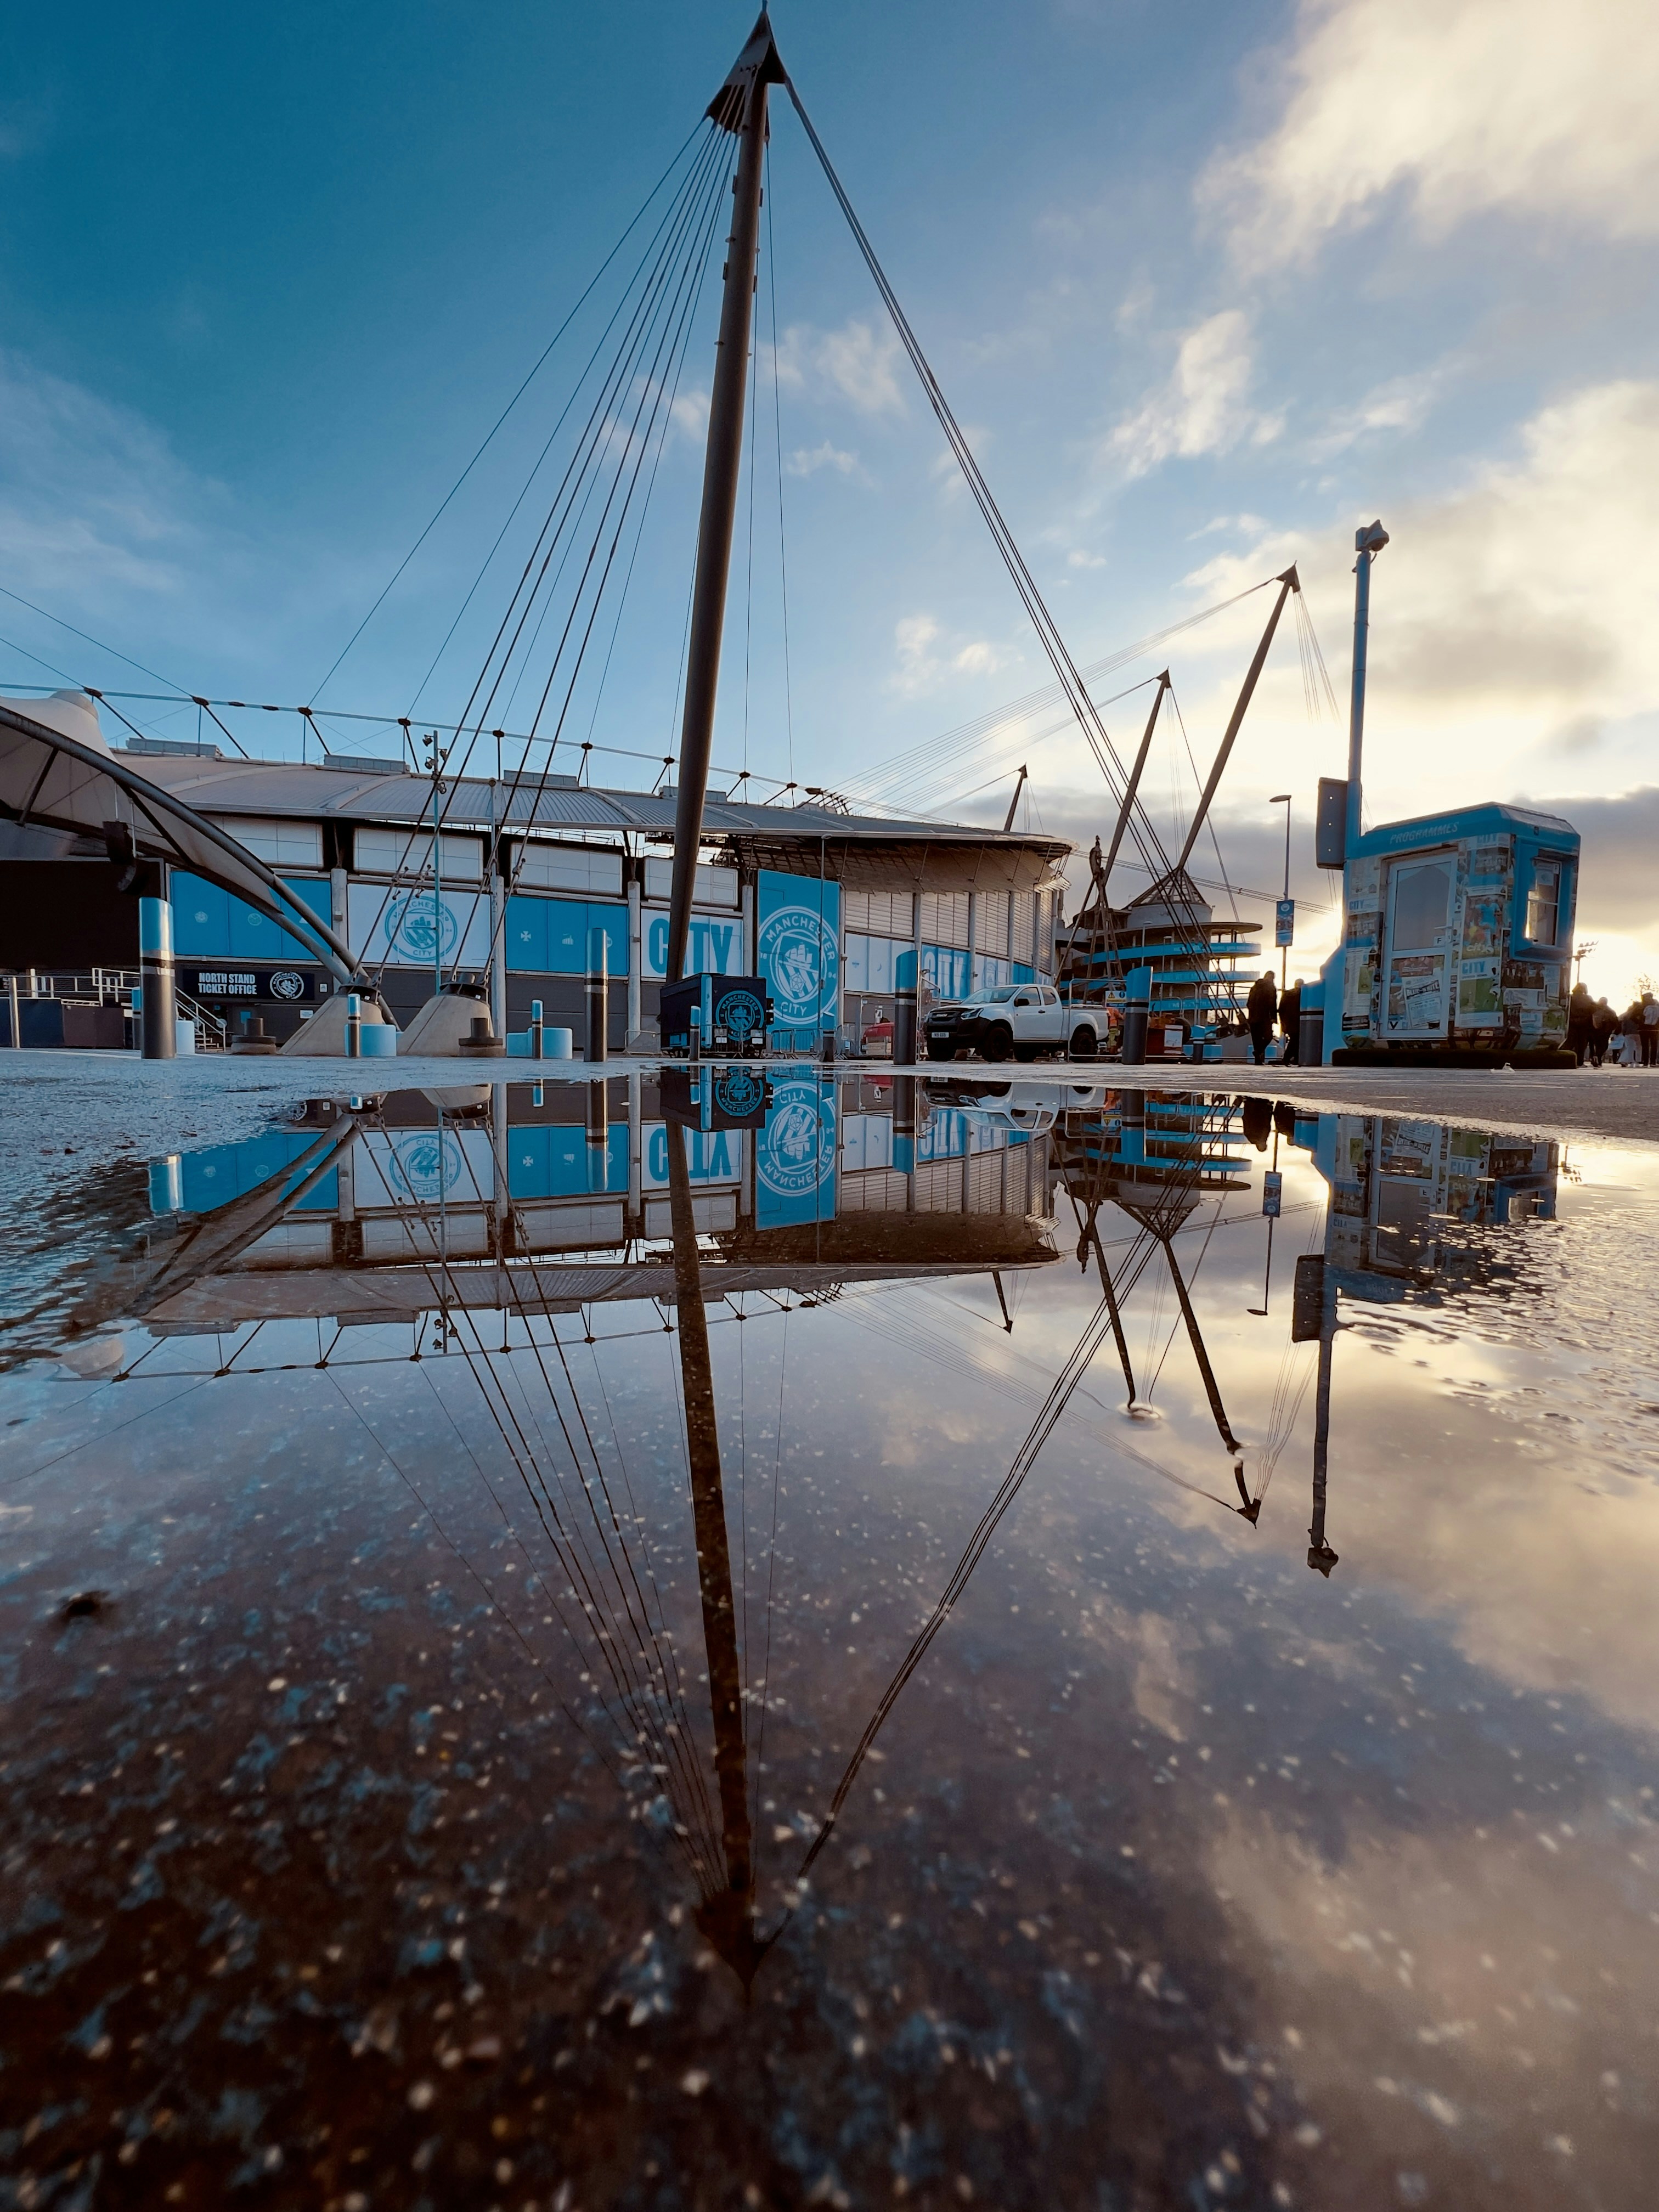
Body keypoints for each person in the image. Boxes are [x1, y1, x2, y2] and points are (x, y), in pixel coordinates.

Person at [1246, 970, 1278, 1065]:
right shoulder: (1271, 987)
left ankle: (1258, 1060)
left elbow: (1248, 1003)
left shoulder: (1255, 987)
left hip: (1253, 1018)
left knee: (1256, 1039)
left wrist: (1251, 1014)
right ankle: (1259, 1052)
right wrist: (1273, 1017)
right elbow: (1272, 1003)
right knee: (1268, 1037)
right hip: (1264, 1018)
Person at [1567, 980, 1594, 1065]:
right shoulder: (1588, 998)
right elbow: (1593, 1009)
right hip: (1584, 1023)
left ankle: (1567, 1059)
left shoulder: (1570, 997)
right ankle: (1580, 1062)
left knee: (1570, 1042)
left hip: (1571, 1022)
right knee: (1582, 1043)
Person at [1279, 977, 1302, 1064]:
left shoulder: (1287, 994)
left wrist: (1283, 1022)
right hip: (1298, 1021)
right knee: (1296, 1040)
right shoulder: (1302, 994)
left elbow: (1281, 1008)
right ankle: (1287, 1058)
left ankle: (1295, 1058)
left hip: (1288, 1022)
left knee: (1295, 1040)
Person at [1589, 996, 1617, 1069]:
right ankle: (1598, 1057)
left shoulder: (1594, 1009)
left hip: (1595, 1030)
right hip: (1605, 1031)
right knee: (1604, 1046)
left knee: (1598, 1046)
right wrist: (1613, 1030)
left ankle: (1597, 1059)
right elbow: (1615, 1021)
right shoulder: (1609, 1011)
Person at [1643, 989, 1659, 1069]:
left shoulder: (1641, 1006)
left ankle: (1648, 1062)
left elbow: (1633, 1017)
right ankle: (1650, 1062)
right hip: (1651, 1029)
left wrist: (1641, 1022)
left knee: (1648, 1045)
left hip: (1646, 1029)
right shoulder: (1657, 1006)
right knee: (1652, 1045)